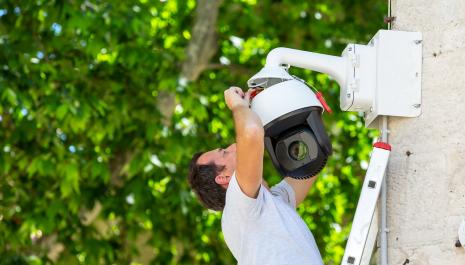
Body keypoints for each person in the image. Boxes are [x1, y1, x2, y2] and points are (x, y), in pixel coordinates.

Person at [188, 86, 324, 265]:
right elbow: (251, 133)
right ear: (224, 178)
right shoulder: (239, 205)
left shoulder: (274, 204)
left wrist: (308, 108)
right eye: (224, 152)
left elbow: (311, 162)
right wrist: (237, 106)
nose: (234, 146)